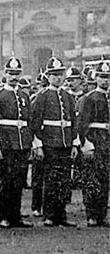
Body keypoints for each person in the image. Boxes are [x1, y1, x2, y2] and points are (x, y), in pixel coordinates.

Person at [0, 57, 34, 229]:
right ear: (4, 74)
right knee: (5, 182)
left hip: (21, 145)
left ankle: (16, 217)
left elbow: (29, 121)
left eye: (16, 73)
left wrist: (30, 144)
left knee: (18, 182)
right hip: (5, 145)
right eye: (10, 73)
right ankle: (4, 217)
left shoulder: (24, 96)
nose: (14, 77)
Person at [30, 57, 79, 227]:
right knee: (51, 180)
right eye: (54, 75)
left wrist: (74, 143)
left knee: (64, 180)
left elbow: (73, 121)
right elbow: (35, 123)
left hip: (65, 143)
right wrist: (38, 145)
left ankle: (61, 215)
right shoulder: (42, 96)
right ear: (48, 76)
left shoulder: (67, 96)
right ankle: (49, 215)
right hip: (50, 143)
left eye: (60, 74)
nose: (58, 78)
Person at [78, 60, 110, 227]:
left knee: (105, 179)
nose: (105, 81)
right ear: (96, 78)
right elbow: (82, 124)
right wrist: (86, 144)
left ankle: (102, 215)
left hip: (107, 142)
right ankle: (91, 214)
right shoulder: (89, 98)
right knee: (92, 179)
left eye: (108, 77)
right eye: (102, 77)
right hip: (95, 140)